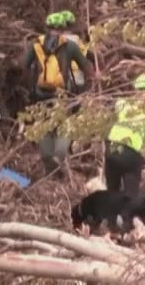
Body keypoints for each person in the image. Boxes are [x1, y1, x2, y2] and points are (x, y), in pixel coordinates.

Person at [24, 10, 96, 173]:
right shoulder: (69, 45)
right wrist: (93, 78)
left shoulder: (36, 45)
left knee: (44, 129)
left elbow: (25, 67)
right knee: (64, 127)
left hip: (40, 96)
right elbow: (85, 65)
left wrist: (32, 89)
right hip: (63, 96)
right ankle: (60, 160)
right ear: (63, 28)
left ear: (46, 28)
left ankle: (49, 165)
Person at [104, 74, 145, 200]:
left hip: (112, 147)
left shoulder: (122, 103)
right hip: (131, 153)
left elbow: (110, 112)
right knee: (130, 195)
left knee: (112, 191)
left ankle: (111, 216)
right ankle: (127, 216)